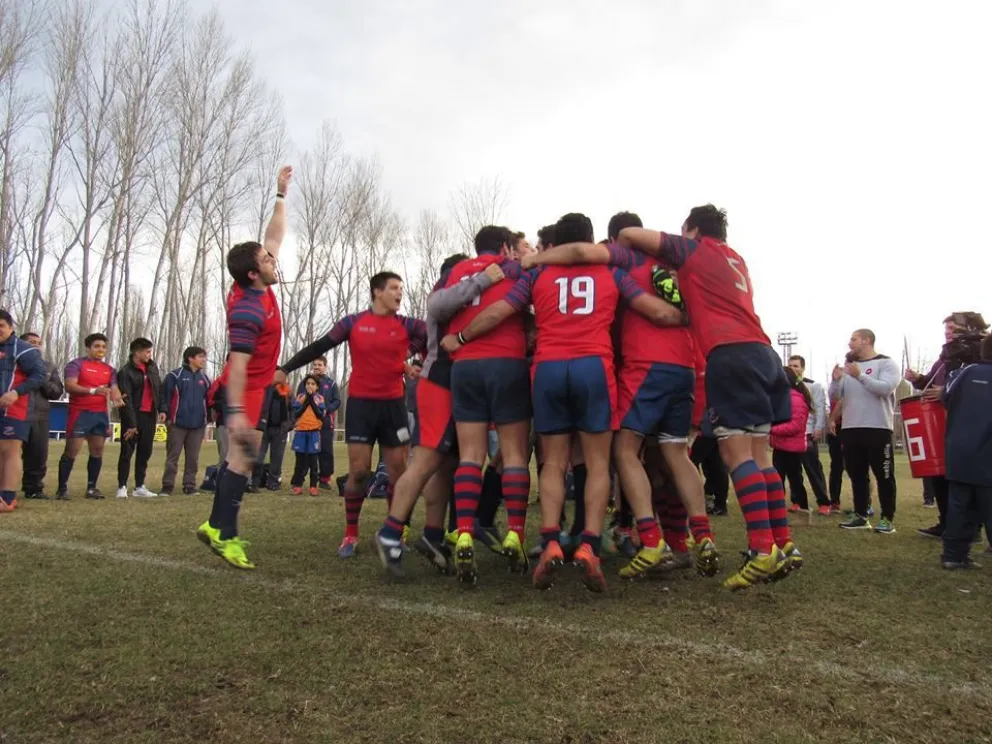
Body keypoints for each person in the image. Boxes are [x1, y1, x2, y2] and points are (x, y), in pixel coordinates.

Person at [539, 204, 800, 590]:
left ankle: (652, 540)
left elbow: (608, 255)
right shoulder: (730, 261)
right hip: (709, 363)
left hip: (655, 365)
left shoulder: (635, 257)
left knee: (626, 450)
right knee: (683, 453)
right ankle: (721, 537)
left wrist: (536, 258)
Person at [443, 212, 686, 592]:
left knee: (552, 462)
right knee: (598, 462)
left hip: (549, 368)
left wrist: (461, 337)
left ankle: (551, 539)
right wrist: (685, 317)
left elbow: (499, 311)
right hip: (594, 367)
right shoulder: (612, 273)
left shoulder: (537, 274)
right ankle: (589, 544)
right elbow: (652, 309)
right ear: (591, 240)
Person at [521, 210, 719, 580]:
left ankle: (559, 538)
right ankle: (681, 537)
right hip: (665, 368)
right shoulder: (663, 264)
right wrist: (691, 318)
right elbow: (657, 310)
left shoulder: (613, 260)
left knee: (575, 458)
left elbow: (509, 304)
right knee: (663, 456)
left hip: (576, 366)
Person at [275, 271, 427, 558]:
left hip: (394, 406)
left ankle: (396, 533)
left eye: (401, 289)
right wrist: (286, 367)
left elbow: (436, 334)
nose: (399, 293)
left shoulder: (407, 324)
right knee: (359, 471)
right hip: (360, 405)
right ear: (377, 292)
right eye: (394, 288)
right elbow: (320, 346)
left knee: (398, 473)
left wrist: (411, 357)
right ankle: (351, 534)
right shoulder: (354, 322)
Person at [374, 255, 504, 578]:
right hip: (442, 380)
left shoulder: (462, 284)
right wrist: (483, 279)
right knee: (425, 462)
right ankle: (390, 532)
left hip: (454, 380)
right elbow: (438, 308)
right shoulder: (455, 284)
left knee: (447, 465)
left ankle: (432, 536)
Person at [196, 164, 292, 570]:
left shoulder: (253, 280)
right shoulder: (249, 310)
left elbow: (273, 235)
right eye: (267, 260)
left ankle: (216, 526)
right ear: (254, 274)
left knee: (243, 459)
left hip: (256, 386)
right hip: (245, 388)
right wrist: (234, 413)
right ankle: (226, 533)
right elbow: (236, 366)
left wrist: (281, 194)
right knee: (243, 457)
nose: (274, 260)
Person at [437, 225, 535, 582]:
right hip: (506, 362)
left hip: (464, 366)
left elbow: (439, 309)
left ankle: (463, 531)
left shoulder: (458, 272)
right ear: (507, 247)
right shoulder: (515, 268)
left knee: (470, 455)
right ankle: (516, 533)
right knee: (512, 452)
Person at [905, 312, 989, 538]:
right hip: (941, 422)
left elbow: (977, 384)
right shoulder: (945, 357)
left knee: (974, 481)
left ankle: (971, 530)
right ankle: (947, 524)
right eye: (947, 329)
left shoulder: (980, 353)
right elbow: (933, 383)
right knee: (940, 473)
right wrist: (918, 379)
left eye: (954, 328)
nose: (948, 332)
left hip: (972, 425)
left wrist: (946, 392)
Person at [830, 329, 899, 533]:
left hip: (878, 427)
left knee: (884, 475)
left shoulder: (886, 363)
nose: (849, 343)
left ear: (866, 341)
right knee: (857, 474)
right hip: (851, 428)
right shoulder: (851, 367)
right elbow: (836, 396)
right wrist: (835, 380)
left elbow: (885, 388)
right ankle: (861, 515)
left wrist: (860, 376)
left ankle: (887, 519)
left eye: (853, 339)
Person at [940, 333, 992, 569]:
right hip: (986, 454)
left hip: (959, 451)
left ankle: (953, 555)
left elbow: (946, 398)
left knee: (959, 507)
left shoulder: (965, 372)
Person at [57, 333, 124, 499]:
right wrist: (93, 390)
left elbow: (114, 387)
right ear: (88, 348)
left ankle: (92, 488)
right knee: (72, 450)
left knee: (97, 450)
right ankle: (62, 488)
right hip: (80, 412)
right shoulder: (76, 365)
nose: (100, 350)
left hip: (99, 414)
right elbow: (70, 385)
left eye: (103, 347)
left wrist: (117, 397)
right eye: (97, 346)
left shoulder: (109, 369)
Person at [0, 312, 47, 512]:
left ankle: (8, 497)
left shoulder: (23, 350)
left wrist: (16, 393)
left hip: (13, 409)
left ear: (10, 327)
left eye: (1, 325)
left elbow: (39, 376)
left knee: (9, 450)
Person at [160, 346, 211, 496]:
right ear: (191, 358)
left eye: (204, 357)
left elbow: (208, 401)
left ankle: (189, 486)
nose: (204, 360)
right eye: (201, 356)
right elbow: (165, 396)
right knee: (172, 457)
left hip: (197, 426)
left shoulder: (205, 379)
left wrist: (208, 420)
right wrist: (164, 413)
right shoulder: (175, 376)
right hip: (177, 424)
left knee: (193, 458)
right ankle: (167, 487)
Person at [116, 337, 164, 499]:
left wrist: (161, 409)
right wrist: (131, 422)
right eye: (147, 351)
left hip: (149, 415)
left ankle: (139, 486)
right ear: (137, 352)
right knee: (127, 452)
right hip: (132, 416)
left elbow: (158, 389)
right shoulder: (125, 372)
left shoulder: (152, 368)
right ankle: (122, 486)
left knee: (145, 452)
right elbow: (126, 398)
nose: (150, 354)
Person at [19, 332, 64, 501]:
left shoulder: (49, 367)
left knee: (38, 453)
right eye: (32, 342)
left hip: (40, 415)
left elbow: (57, 392)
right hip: (15, 413)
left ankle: (33, 488)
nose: (36, 345)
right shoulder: (11, 364)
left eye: (39, 343)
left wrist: (40, 377)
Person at [787, 355, 831, 514]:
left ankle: (824, 502)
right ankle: (798, 501)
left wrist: (819, 428)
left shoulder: (814, 386)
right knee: (793, 470)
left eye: (796, 366)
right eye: (790, 366)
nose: (793, 369)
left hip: (807, 433)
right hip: (790, 435)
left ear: (802, 368)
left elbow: (819, 408)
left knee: (813, 469)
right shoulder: (785, 388)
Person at [295, 356, 340, 491]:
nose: (316, 367)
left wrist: (327, 410)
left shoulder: (331, 384)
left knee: (326, 451)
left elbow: (337, 401)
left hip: (325, 422)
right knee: (305, 451)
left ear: (325, 367)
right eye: (315, 364)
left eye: (319, 364)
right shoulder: (305, 382)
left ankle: (324, 479)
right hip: (307, 423)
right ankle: (300, 479)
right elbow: (299, 399)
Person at [771, 367, 813, 512]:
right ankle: (777, 507)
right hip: (781, 445)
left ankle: (803, 507)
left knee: (795, 480)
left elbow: (795, 426)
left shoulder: (794, 399)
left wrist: (771, 430)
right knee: (778, 479)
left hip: (792, 448)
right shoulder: (785, 398)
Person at [250, 383, 291, 492]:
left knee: (277, 457)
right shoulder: (264, 389)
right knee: (258, 456)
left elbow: (293, 408)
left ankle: (273, 482)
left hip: (280, 429)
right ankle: (255, 481)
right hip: (263, 427)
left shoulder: (286, 390)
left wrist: (289, 424)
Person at [290, 375, 326, 496]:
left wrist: (312, 399)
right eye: (308, 383)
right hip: (301, 432)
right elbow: (296, 413)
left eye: (312, 384)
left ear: (316, 387)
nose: (310, 386)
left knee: (313, 461)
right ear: (305, 385)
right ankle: (298, 485)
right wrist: (307, 401)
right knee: (300, 461)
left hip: (314, 432)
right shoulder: (300, 397)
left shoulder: (320, 399)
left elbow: (320, 415)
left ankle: (313, 486)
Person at [405, 359, 422, 439]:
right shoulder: (408, 376)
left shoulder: (423, 380)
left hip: (418, 413)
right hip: (409, 410)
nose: (415, 373)